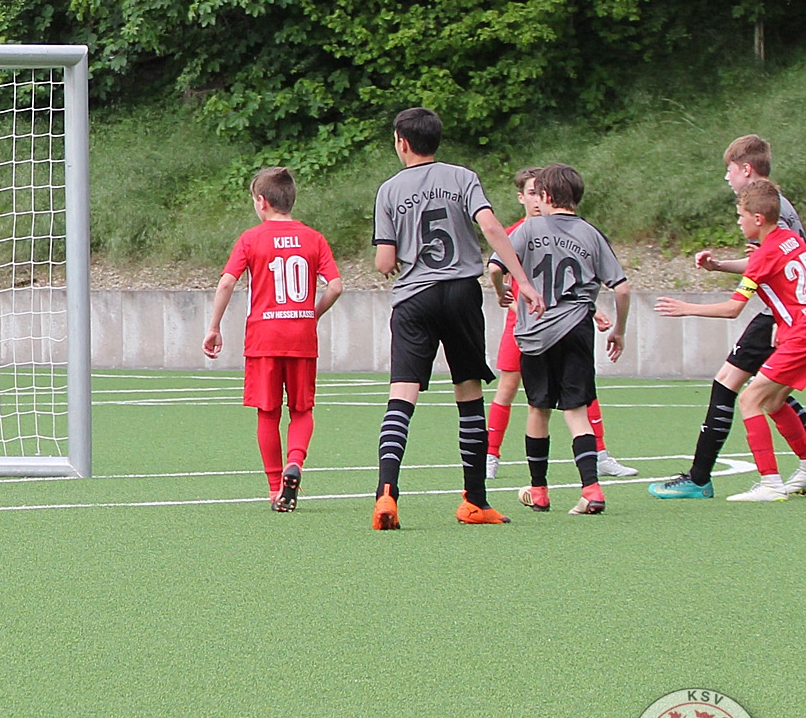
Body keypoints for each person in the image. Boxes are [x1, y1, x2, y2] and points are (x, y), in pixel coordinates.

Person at [371, 107, 544, 529]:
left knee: (402, 397)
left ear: (402, 143)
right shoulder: (463, 177)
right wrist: (522, 280)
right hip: (461, 293)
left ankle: (386, 494)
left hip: (415, 299)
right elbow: (492, 228)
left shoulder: (389, 190)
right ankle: (475, 501)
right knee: (468, 393)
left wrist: (394, 260)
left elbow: (384, 261)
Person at [648, 135, 806, 499]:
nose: (737, 222)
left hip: (795, 331)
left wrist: (687, 308)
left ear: (757, 217)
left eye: (740, 217)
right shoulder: (790, 238)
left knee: (748, 398)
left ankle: (769, 483)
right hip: (792, 326)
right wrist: (721, 266)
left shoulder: (764, 251)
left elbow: (735, 306)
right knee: (773, 400)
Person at [491, 164, 630, 515]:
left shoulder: (527, 229)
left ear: (546, 196)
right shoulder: (591, 234)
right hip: (577, 329)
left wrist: (501, 291)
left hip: (536, 332)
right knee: (576, 411)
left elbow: (494, 267)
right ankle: (591, 489)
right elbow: (622, 288)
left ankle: (539, 490)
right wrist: (619, 330)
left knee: (538, 409)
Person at [204, 167, 344, 511]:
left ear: (262, 201)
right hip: (301, 336)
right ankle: (295, 462)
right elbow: (336, 286)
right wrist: (312, 313)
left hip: (264, 337)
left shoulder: (251, 239)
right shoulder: (314, 238)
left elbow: (227, 282)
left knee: (268, 413)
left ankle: (273, 486)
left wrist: (214, 326)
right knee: (301, 409)